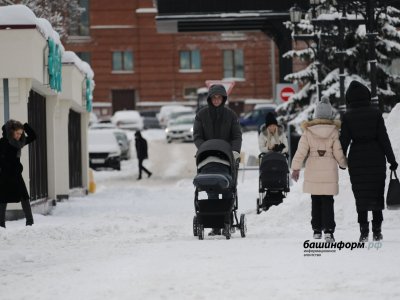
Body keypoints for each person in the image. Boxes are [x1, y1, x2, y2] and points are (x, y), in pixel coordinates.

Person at [340, 80, 398, 242]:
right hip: (376, 157)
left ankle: (364, 231)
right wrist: (391, 160)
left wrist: (340, 160)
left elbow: (343, 141)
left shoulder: (348, 116)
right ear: (366, 95)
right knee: (376, 195)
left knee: (361, 196)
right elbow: (384, 138)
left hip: (357, 159)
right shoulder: (375, 113)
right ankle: (377, 231)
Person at [291, 97, 347, 243]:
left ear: (316, 114)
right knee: (328, 201)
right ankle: (328, 231)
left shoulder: (308, 131)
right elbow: (338, 151)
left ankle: (316, 230)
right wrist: (343, 164)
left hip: (313, 171)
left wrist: (295, 168)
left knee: (315, 200)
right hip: (329, 171)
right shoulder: (334, 132)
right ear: (329, 115)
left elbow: (301, 152)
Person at [193, 84, 242, 236]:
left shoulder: (230, 115)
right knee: (212, 189)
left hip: (227, 157)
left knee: (227, 189)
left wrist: (234, 152)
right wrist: (204, 149)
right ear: (210, 98)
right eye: (214, 97)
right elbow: (197, 136)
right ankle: (215, 225)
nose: (216, 100)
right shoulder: (201, 115)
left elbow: (236, 136)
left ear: (223, 98)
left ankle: (226, 220)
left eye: (219, 97)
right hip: (208, 157)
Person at [0, 120, 37, 228]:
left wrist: (24, 126)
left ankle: (30, 222)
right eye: (17, 133)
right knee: (2, 200)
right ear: (11, 132)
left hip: (16, 175)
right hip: (4, 176)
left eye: (20, 134)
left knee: (24, 197)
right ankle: (1, 225)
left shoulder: (19, 143)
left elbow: (33, 136)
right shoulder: (2, 143)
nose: (19, 136)